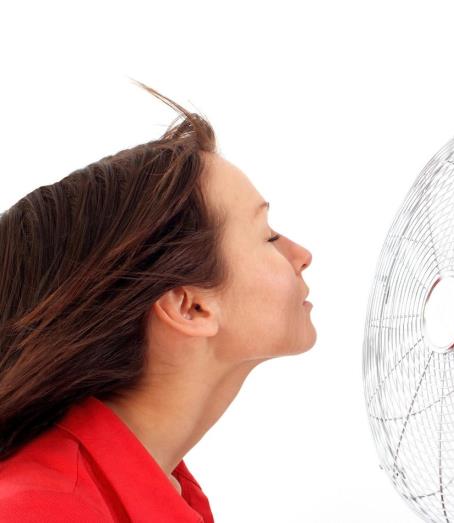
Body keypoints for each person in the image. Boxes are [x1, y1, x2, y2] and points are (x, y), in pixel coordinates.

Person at [0, 82, 315, 522]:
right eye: (268, 236)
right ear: (190, 306)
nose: (302, 255)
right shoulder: (44, 509)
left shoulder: (169, 492)